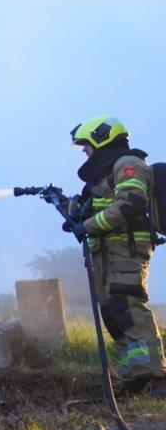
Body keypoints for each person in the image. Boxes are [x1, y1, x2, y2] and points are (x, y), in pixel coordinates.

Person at [69, 116, 165, 397]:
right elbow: (98, 206)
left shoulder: (127, 164)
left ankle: (156, 378)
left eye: (86, 145)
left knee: (129, 308)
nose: (85, 151)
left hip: (126, 250)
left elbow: (131, 203)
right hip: (107, 252)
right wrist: (71, 209)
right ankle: (135, 377)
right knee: (115, 314)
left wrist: (86, 225)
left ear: (101, 138)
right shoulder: (105, 173)